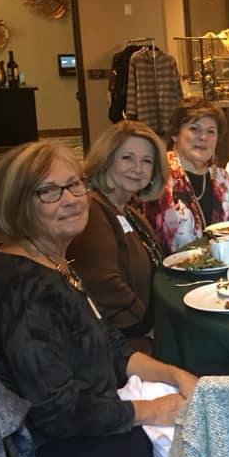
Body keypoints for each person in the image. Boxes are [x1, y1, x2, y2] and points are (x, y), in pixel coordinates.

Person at [0, 141, 197, 457]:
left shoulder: (53, 262)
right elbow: (57, 412)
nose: (72, 198)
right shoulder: (20, 291)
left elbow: (111, 347)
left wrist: (177, 375)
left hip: (93, 419)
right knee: (210, 437)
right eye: (49, 191)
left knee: (207, 398)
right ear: (16, 204)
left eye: (75, 184)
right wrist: (153, 410)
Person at [68, 120, 168, 337]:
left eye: (147, 161)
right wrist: (150, 329)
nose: (138, 168)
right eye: (127, 158)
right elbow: (103, 285)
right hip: (123, 344)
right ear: (106, 159)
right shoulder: (92, 211)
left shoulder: (130, 213)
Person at [143, 97, 229, 254]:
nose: (203, 137)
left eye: (211, 131)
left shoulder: (223, 179)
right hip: (167, 275)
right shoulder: (157, 174)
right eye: (194, 129)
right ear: (175, 134)